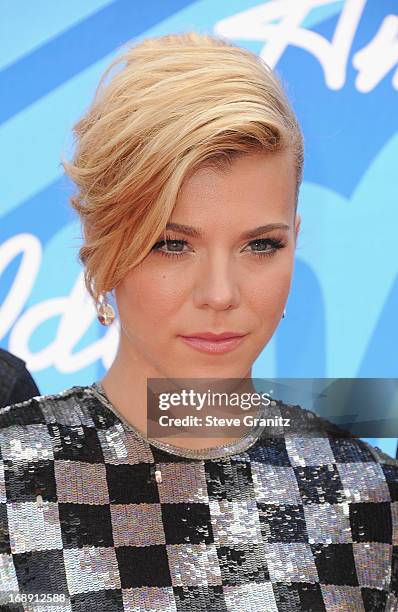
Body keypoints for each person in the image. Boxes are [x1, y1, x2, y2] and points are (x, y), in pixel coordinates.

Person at [0, 32, 396, 611]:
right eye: (171, 244)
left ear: (295, 241)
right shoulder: (11, 478)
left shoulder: (371, 500)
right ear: (103, 244)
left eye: (260, 245)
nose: (219, 294)